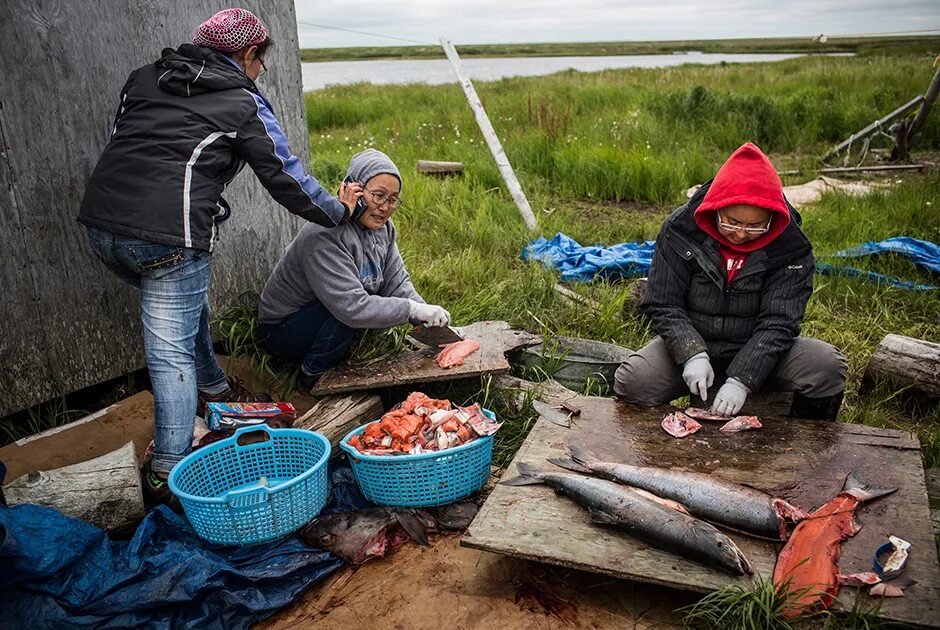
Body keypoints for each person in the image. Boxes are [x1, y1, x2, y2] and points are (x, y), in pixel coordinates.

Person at [78, 8, 363, 504]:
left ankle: (213, 388)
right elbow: (286, 177)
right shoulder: (241, 101)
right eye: (260, 63)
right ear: (249, 54)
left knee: (184, 305)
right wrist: (339, 211)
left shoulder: (144, 78)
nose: (260, 73)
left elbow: (130, 143)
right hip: (168, 236)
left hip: (102, 228)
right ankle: (168, 469)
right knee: (168, 354)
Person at [614, 142, 847, 420]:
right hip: (694, 341)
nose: (740, 234)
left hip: (758, 347)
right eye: (732, 222)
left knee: (825, 366)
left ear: (773, 217)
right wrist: (691, 354)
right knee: (633, 380)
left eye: (755, 226)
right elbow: (663, 304)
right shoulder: (680, 230)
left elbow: (780, 322)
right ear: (716, 208)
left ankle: (803, 441)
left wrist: (742, 379)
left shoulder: (791, 246)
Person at [259, 149, 450, 388]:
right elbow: (351, 307)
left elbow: (396, 282)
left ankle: (330, 354)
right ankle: (313, 374)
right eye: (378, 196)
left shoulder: (384, 230)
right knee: (352, 307)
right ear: (354, 191)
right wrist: (410, 309)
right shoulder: (324, 234)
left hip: (329, 313)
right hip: (284, 329)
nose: (385, 207)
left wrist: (429, 318)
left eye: (392, 199)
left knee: (363, 302)